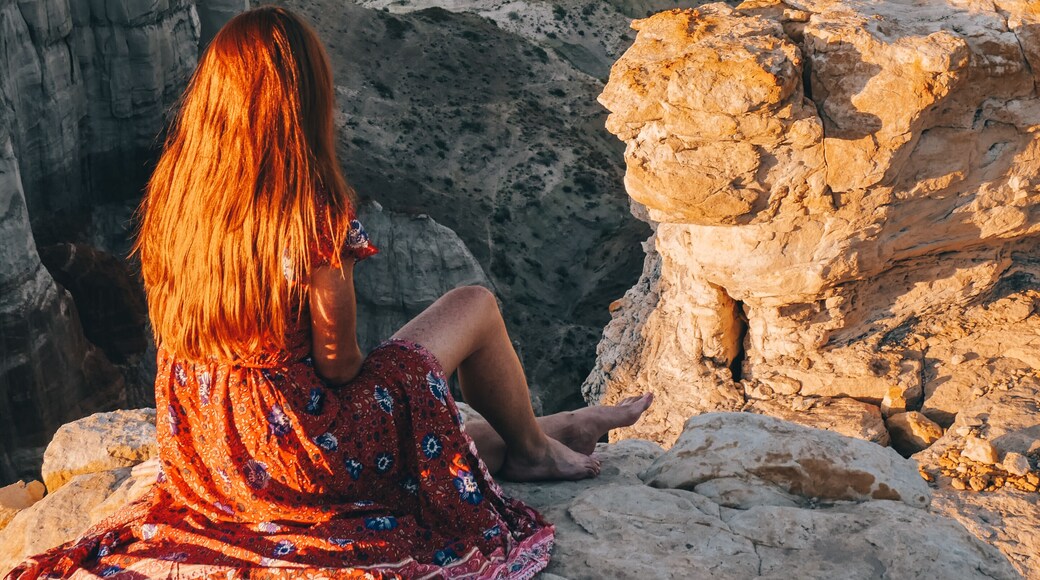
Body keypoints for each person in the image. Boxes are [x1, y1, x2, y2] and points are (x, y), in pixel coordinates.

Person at [7, 6, 651, 579]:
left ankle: (549, 428)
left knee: (433, 432)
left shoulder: (173, 203)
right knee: (472, 310)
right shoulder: (311, 217)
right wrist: (403, 383)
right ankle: (536, 450)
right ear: (305, 100)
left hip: (210, 461)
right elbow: (339, 365)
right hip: (298, 461)